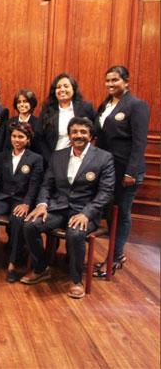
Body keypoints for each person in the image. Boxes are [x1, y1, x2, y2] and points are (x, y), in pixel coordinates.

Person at [22, 117, 115, 299]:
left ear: (90, 135)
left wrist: (87, 214)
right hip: (58, 208)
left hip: (84, 211)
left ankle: (76, 280)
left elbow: (106, 192)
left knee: (75, 233)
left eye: (83, 132)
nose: (78, 135)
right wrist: (42, 204)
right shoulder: (59, 156)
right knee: (30, 225)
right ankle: (41, 268)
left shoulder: (104, 158)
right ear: (69, 135)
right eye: (74, 132)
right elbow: (46, 185)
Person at [93, 65, 150, 277]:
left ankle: (115, 258)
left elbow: (140, 142)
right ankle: (115, 255)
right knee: (110, 213)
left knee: (121, 213)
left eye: (114, 80)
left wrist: (131, 172)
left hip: (126, 171)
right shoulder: (106, 104)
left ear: (126, 81)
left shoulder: (136, 106)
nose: (110, 84)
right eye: (107, 80)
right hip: (107, 169)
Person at [0, 122, 43, 282]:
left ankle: (13, 263)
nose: (17, 140)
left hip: (21, 200)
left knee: (18, 220)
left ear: (28, 139)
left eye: (21, 137)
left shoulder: (35, 159)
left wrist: (27, 203)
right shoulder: (2, 156)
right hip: (2, 198)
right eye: (14, 136)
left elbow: (34, 185)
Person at [38, 73, 96, 164]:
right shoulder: (47, 111)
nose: (62, 89)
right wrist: (50, 159)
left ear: (73, 89)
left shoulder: (85, 107)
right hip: (54, 160)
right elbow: (39, 137)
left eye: (66, 86)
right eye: (58, 87)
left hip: (80, 160)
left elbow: (96, 129)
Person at [4, 89, 42, 155]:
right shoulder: (9, 122)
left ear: (32, 103)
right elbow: (5, 145)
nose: (22, 104)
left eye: (25, 101)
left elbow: (39, 148)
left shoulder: (38, 123)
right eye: (19, 102)